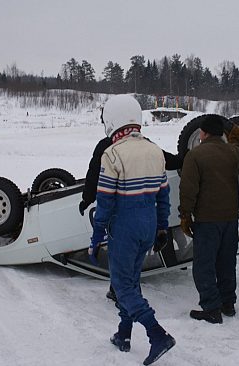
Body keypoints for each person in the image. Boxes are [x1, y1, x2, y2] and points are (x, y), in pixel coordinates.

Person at [89, 95, 175, 365]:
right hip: (148, 224)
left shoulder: (112, 154)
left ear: (113, 120)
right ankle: (123, 334)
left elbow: (104, 201)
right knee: (131, 281)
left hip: (124, 226)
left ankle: (157, 334)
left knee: (122, 285)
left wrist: (96, 236)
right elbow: (164, 196)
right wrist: (162, 227)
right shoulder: (155, 151)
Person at [79, 114, 182, 304]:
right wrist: (184, 159)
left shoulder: (108, 147)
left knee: (120, 255)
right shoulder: (148, 145)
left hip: (122, 217)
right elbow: (166, 162)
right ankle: (122, 290)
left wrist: (87, 198)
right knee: (133, 258)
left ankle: (126, 299)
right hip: (147, 217)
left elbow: (94, 174)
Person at [178, 114, 239, 324]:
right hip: (230, 218)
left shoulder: (195, 155)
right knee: (226, 262)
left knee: (204, 265)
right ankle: (228, 304)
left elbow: (188, 189)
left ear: (203, 133)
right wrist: (236, 136)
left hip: (207, 219)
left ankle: (211, 308)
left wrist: (185, 215)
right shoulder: (232, 153)